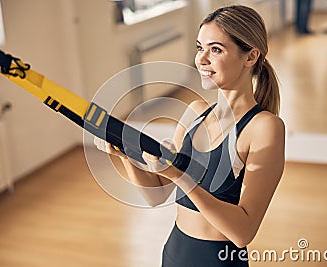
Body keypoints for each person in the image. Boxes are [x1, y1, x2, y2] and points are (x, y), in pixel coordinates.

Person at [94, 5, 285, 266]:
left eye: (215, 49)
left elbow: (243, 233)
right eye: (199, 48)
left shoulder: (264, 127)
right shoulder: (195, 113)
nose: (201, 59)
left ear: (250, 56)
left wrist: (181, 177)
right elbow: (157, 195)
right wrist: (125, 155)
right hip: (174, 252)